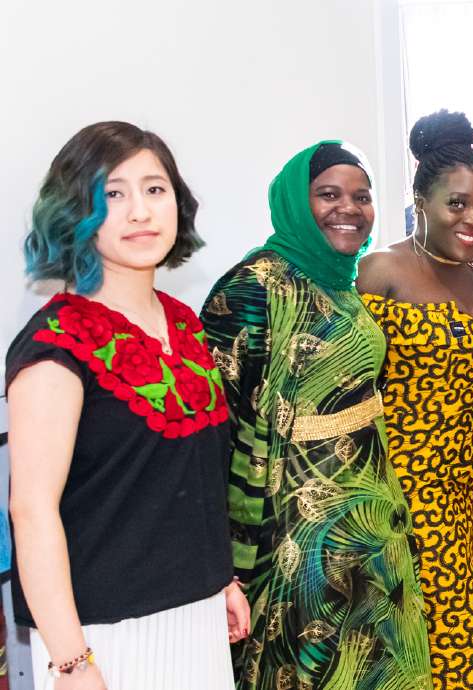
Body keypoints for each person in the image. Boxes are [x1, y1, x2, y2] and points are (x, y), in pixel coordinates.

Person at [7, 121, 247, 689]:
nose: (140, 211)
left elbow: (185, 479)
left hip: (194, 617)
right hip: (102, 639)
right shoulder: (56, 345)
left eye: (154, 189)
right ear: (75, 212)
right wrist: (72, 662)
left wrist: (220, 579)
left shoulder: (182, 324)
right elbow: (33, 511)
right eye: (113, 194)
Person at [202, 140, 431, 690]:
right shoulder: (252, 288)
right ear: (294, 201)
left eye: (362, 196)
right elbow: (217, 431)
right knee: (311, 669)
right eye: (328, 194)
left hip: (373, 527)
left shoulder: (341, 281)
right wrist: (224, 563)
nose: (348, 208)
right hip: (297, 541)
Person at [358, 110, 473, 690]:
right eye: (457, 204)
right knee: (402, 644)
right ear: (420, 200)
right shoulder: (380, 271)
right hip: (400, 496)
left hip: (462, 492)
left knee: (454, 641)